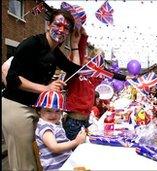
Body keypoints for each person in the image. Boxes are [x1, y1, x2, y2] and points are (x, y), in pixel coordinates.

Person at [2, 9, 80, 170]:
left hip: (34, 108)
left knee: (35, 157)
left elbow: (75, 71)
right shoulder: (32, 44)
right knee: (23, 162)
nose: (61, 30)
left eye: (67, 28)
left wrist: (74, 45)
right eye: (58, 24)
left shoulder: (55, 51)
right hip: (16, 106)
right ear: (48, 25)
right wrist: (46, 88)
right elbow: (12, 79)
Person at [34, 90, 86, 171]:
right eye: (48, 111)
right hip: (56, 167)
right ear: (39, 111)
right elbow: (55, 147)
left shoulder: (55, 123)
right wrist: (76, 142)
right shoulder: (45, 127)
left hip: (65, 162)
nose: (53, 115)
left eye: (57, 111)